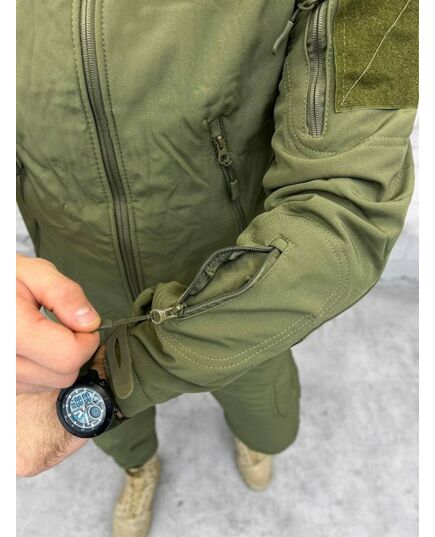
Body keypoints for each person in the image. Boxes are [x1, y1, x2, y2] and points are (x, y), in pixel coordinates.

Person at [16, 0, 418, 535]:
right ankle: (138, 466)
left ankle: (251, 441)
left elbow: (349, 208)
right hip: (75, 295)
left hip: (241, 290)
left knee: (265, 413)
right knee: (115, 435)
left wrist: (121, 377)